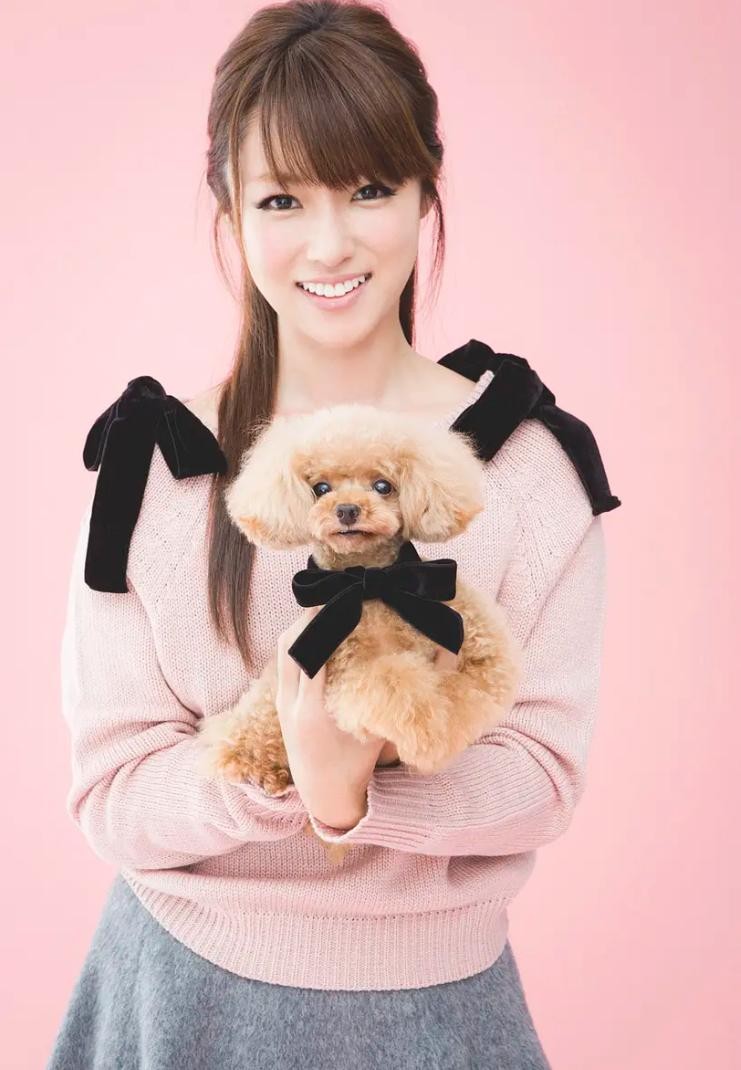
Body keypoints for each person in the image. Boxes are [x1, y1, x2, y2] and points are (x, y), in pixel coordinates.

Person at [46, 2, 621, 1067]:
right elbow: (113, 792)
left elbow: (544, 777)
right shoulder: (153, 470)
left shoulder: (530, 468)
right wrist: (284, 782)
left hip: (442, 1007)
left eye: (368, 190)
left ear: (425, 189)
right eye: (282, 199)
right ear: (229, 209)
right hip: (180, 994)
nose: (329, 244)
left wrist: (361, 795)